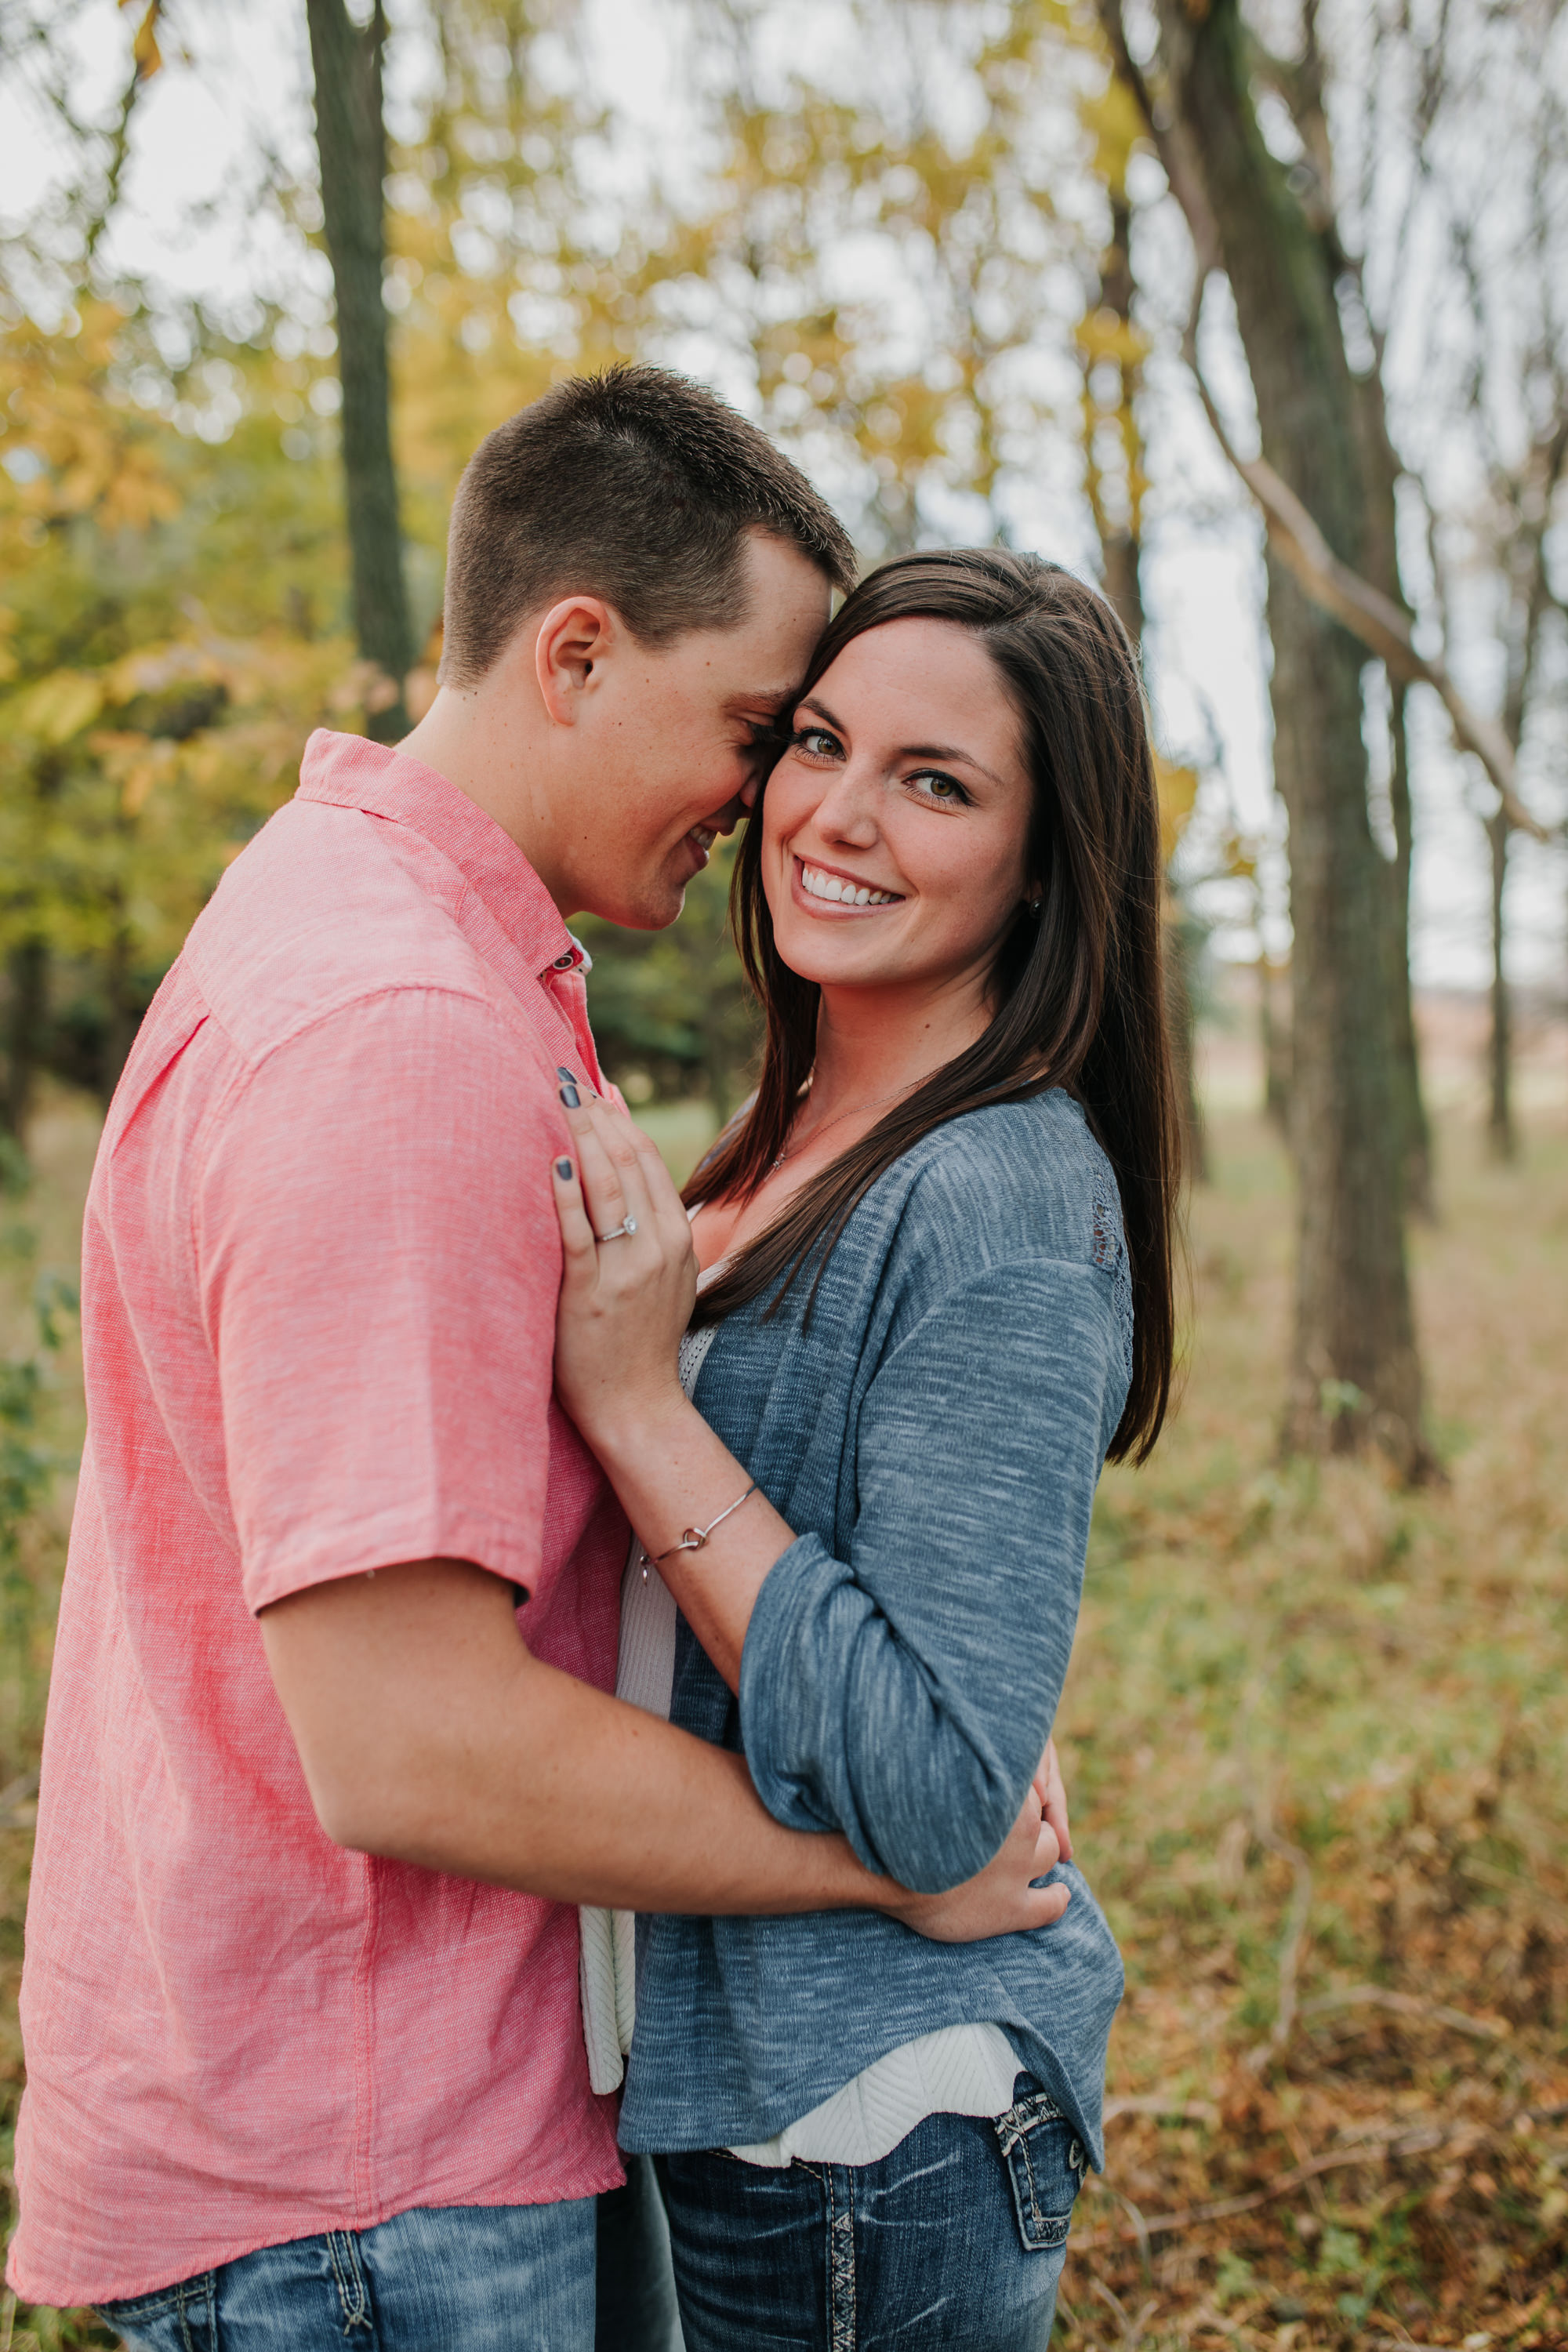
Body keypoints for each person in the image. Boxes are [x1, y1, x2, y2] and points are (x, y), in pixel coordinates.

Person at [9, 376, 1069, 2348]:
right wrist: (888, 1855)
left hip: (415, 2143)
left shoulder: (405, 947)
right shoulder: (397, 1025)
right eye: (764, 729)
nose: (770, 799)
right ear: (575, 650)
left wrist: (907, 1690)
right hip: (367, 2186)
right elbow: (406, 1736)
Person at [550, 548, 1180, 2350]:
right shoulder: (783, 1133)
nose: (835, 814)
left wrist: (639, 1407)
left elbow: (929, 1789)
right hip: (752, 2105)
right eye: (818, 741)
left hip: (871, 2144)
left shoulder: (991, 1197)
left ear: (1044, 859)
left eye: (937, 781)